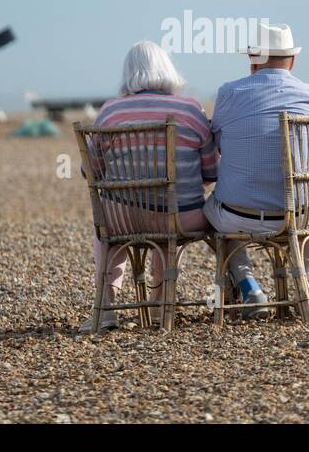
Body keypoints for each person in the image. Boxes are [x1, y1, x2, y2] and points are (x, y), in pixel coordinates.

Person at [204, 23, 309, 319]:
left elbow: (217, 144)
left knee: (212, 207)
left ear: (253, 60)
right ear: (292, 61)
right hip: (301, 215)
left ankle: (249, 288)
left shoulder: (229, 93)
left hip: (238, 216)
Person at [79, 41, 217, 332]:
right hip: (181, 216)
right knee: (166, 216)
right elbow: (211, 171)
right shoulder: (190, 109)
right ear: (168, 69)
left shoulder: (110, 111)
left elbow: (90, 171)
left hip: (121, 220)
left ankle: (106, 305)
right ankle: (159, 303)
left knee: (106, 225)